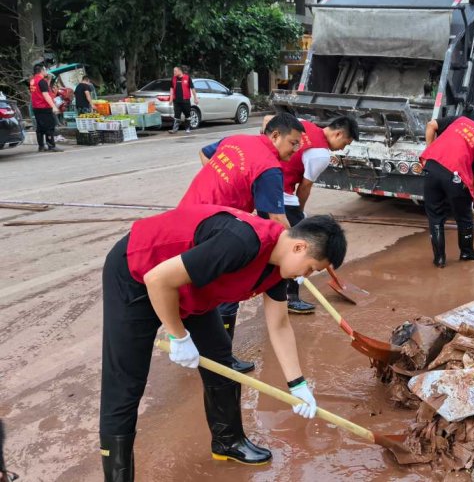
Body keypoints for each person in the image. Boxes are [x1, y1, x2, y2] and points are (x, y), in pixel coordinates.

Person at [99, 205, 346, 481]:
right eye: (311, 269)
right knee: (125, 383)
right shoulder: (241, 241)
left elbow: (279, 325)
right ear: (299, 247)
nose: (306, 276)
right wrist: (178, 336)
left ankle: (228, 442)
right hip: (137, 274)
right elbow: (157, 279)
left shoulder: (277, 268)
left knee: (220, 361)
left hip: (190, 286)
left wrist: (298, 385)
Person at [180, 113, 305, 372]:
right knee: (227, 287)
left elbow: (205, 153)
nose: (296, 150)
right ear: (275, 136)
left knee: (194, 279)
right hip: (213, 230)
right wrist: (301, 253)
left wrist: (226, 188)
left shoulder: (237, 139)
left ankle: (194, 340)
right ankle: (220, 356)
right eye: (293, 143)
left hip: (188, 214)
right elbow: (277, 220)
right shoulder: (270, 169)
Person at [199, 115, 359, 314]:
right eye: (345, 142)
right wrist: (297, 218)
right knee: (291, 248)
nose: (295, 150)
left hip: (212, 209)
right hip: (272, 202)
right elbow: (304, 188)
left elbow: (267, 119)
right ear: (339, 133)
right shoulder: (314, 156)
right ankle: (289, 296)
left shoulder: (299, 126)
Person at [420, 114, 474, 268]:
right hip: (455, 176)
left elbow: (431, 125)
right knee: (464, 217)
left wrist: (429, 151)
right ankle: (467, 252)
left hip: (432, 168)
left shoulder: (460, 120)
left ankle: (439, 259)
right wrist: (471, 197)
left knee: (435, 217)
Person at [29, 65, 62, 152]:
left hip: (36, 107)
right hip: (44, 107)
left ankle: (41, 146)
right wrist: (54, 107)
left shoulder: (32, 81)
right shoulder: (41, 81)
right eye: (45, 70)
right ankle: (51, 145)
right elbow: (46, 95)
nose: (46, 71)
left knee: (40, 127)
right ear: (42, 71)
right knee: (50, 126)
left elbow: (39, 91)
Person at [169, 65, 199, 134]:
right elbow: (171, 88)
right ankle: (175, 129)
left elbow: (192, 88)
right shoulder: (173, 79)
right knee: (176, 115)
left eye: (175, 71)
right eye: (174, 71)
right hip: (176, 100)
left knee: (187, 115)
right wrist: (171, 98)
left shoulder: (187, 78)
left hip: (185, 100)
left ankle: (187, 128)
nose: (174, 72)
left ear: (180, 71)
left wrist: (195, 98)